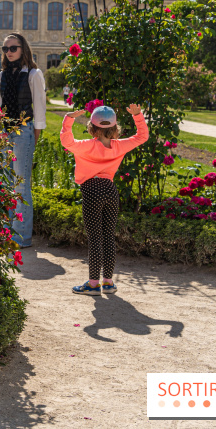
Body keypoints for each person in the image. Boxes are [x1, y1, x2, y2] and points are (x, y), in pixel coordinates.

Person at [60, 103, 149, 295]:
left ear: (92, 128)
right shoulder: (119, 146)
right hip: (110, 190)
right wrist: (138, 115)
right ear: (115, 129)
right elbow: (142, 136)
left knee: (95, 239)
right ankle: (108, 282)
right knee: (108, 237)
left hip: (92, 190)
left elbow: (67, 142)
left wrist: (69, 118)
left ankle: (93, 284)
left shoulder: (86, 146)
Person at [0, 32, 46, 249]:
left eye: (13, 48)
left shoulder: (34, 74)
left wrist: (33, 138)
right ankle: (9, 231)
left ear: (23, 49)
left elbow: (40, 110)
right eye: (5, 49)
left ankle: (22, 236)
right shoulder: (3, 75)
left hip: (24, 131)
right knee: (8, 185)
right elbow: (1, 107)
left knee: (22, 186)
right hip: (6, 133)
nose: (9, 52)